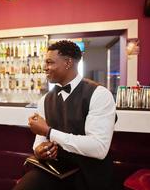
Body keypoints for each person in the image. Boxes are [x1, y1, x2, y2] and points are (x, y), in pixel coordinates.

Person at [13, 40, 116, 190]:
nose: (44, 68)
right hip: (55, 171)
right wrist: (39, 150)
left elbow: (99, 148)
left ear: (68, 62)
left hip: (89, 175)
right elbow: (39, 141)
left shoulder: (99, 94)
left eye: (49, 62)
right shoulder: (45, 100)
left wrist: (49, 132)